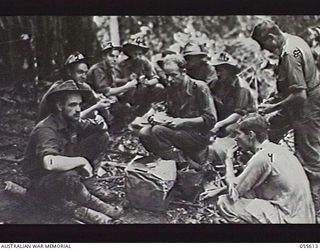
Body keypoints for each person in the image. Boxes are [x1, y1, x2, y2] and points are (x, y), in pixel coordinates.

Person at [23, 80, 123, 223]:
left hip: (61, 173)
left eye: (79, 105)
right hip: (42, 182)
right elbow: (49, 163)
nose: (78, 109)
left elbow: (95, 128)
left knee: (100, 137)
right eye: (72, 105)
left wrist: (100, 123)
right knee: (69, 174)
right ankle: (89, 201)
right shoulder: (46, 129)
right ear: (59, 106)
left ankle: (86, 184)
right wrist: (81, 161)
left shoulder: (69, 120)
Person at [251, 20, 320, 219]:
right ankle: (266, 175)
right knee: (269, 130)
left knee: (310, 158)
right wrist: (274, 99)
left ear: (271, 37)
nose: (267, 50)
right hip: (299, 105)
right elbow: (292, 84)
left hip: (306, 108)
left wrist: (273, 107)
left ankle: (314, 211)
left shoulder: (290, 54)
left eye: (265, 45)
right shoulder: (293, 42)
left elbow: (300, 95)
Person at [202, 114, 315, 223]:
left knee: (225, 202)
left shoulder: (262, 157)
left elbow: (234, 192)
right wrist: (219, 190)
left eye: (238, 134)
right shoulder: (278, 150)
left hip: (287, 218)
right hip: (303, 217)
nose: (235, 139)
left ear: (251, 135)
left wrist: (229, 160)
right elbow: (247, 185)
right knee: (249, 194)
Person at [138, 54, 217, 163]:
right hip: (178, 130)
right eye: (167, 75)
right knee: (144, 133)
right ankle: (168, 160)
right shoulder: (172, 87)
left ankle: (182, 164)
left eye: (174, 75)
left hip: (197, 134)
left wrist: (183, 122)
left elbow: (210, 119)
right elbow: (168, 110)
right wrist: (157, 117)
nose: (170, 79)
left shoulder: (199, 87)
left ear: (183, 72)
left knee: (158, 130)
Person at [38, 52, 111, 122]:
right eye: (80, 72)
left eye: (85, 73)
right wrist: (96, 107)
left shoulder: (81, 85)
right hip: (52, 128)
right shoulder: (61, 89)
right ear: (69, 72)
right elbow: (68, 118)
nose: (84, 76)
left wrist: (100, 101)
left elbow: (95, 101)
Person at [210, 52, 257, 137]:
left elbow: (239, 114)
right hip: (221, 120)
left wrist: (219, 124)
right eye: (217, 70)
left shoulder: (242, 88)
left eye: (221, 70)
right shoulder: (215, 84)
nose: (218, 74)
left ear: (230, 70)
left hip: (241, 122)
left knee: (229, 130)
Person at [118, 37, 165, 116]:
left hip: (143, 92)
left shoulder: (145, 62)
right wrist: (127, 79)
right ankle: (129, 112)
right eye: (135, 54)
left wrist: (148, 83)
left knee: (159, 87)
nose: (138, 57)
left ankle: (147, 110)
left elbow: (156, 78)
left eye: (140, 54)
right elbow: (115, 81)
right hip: (127, 93)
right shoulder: (122, 65)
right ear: (130, 53)